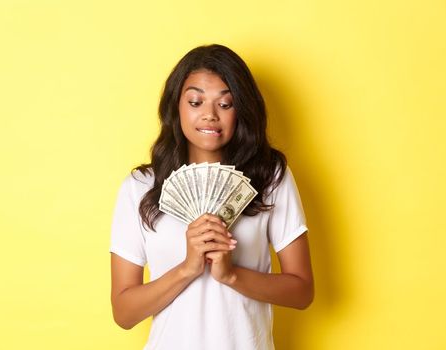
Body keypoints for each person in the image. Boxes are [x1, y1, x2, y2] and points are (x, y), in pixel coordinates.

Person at [108, 44, 314, 350]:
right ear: (176, 107)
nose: (209, 115)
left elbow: (302, 292)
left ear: (241, 110)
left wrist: (231, 275)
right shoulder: (140, 186)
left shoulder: (270, 177)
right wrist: (187, 268)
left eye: (226, 104)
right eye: (195, 101)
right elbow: (124, 313)